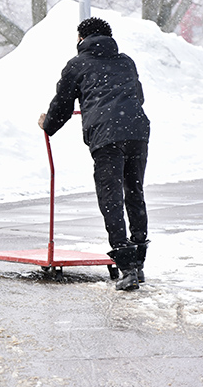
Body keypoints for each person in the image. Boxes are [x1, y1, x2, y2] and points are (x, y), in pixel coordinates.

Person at [38, 16, 150, 291]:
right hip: (136, 130)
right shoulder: (126, 61)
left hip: (106, 135)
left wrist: (48, 125)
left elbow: (63, 104)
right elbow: (138, 95)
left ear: (81, 39)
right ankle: (137, 263)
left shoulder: (77, 65)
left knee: (110, 197)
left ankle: (125, 267)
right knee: (134, 192)